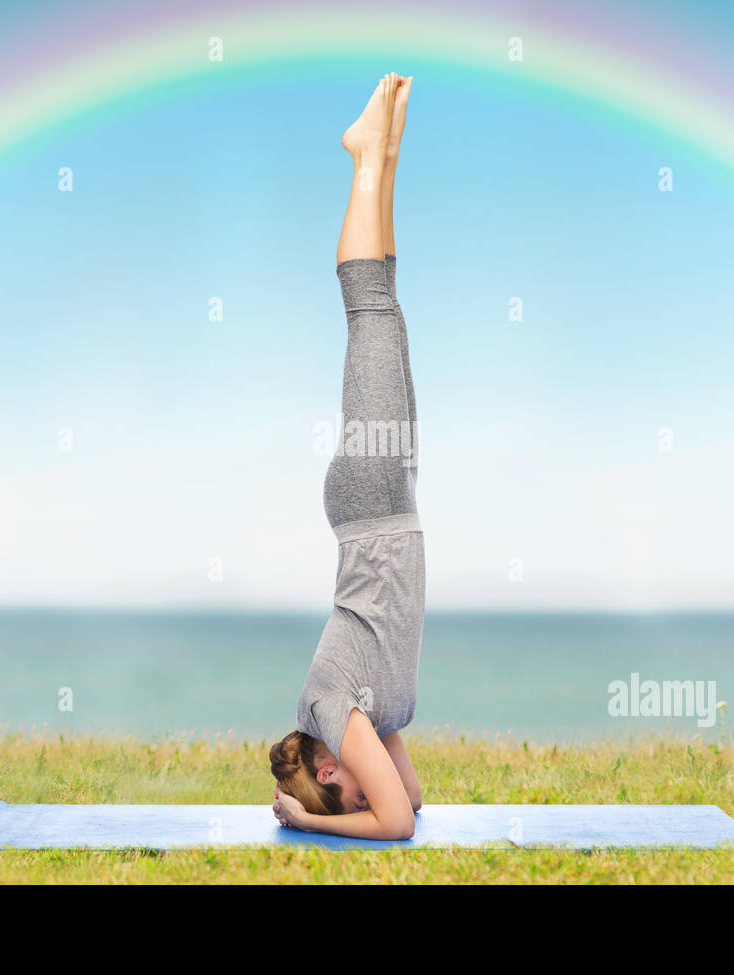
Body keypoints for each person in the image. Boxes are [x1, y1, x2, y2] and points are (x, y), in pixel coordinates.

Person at [269, 73, 424, 840]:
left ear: (330, 768)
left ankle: (365, 157)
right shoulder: (371, 717)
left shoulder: (333, 707)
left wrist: (308, 818)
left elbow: (394, 823)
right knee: (387, 315)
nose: (371, 794)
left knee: (368, 316)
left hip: (369, 500)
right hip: (391, 501)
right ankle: (385, 155)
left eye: (348, 795)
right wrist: (348, 799)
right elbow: (412, 799)